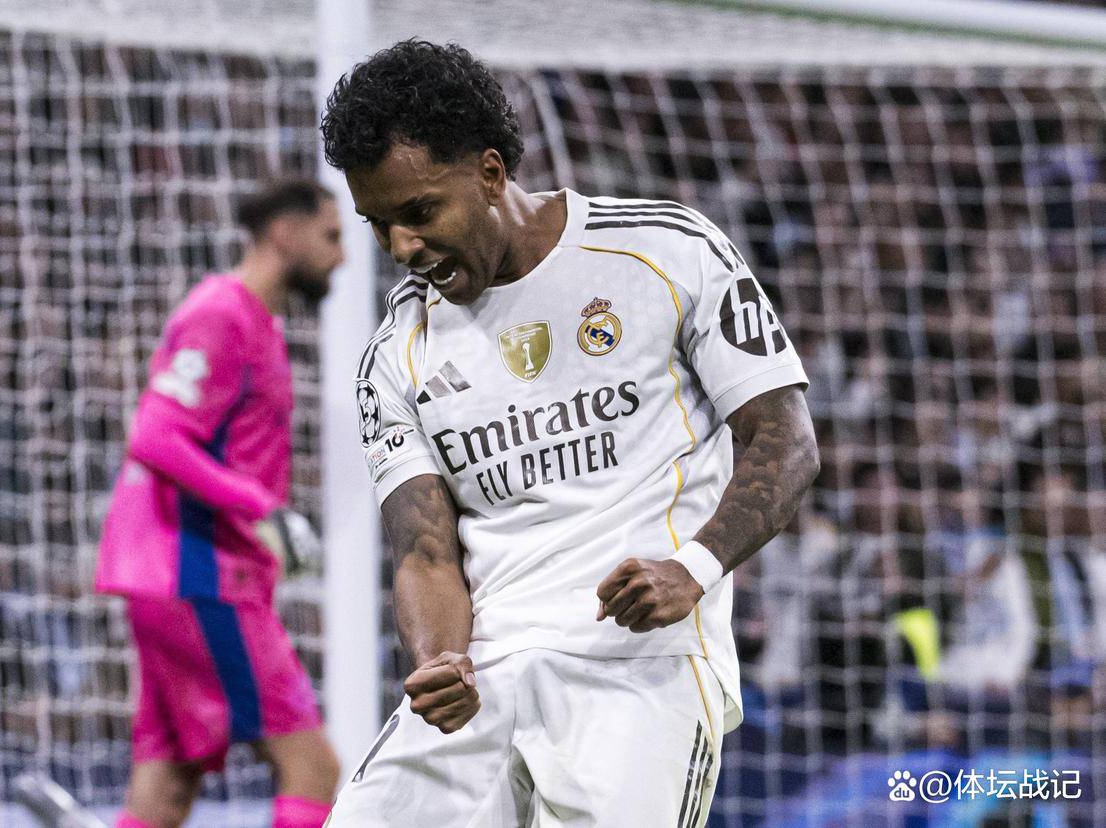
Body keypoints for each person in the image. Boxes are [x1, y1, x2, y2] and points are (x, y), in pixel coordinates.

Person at [320, 41, 819, 826]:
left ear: (491, 173)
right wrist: (440, 661)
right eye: (378, 225)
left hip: (639, 668)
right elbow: (424, 551)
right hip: (484, 677)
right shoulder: (395, 354)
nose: (402, 248)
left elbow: (785, 441)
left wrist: (693, 568)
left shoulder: (666, 252)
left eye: (419, 213)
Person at [95, 179, 343, 828]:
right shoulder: (223, 313)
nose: (342, 256)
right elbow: (154, 436)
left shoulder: (253, 320)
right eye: (331, 236)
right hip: (198, 576)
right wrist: (262, 508)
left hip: (173, 578)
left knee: (167, 787)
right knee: (313, 769)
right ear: (284, 233)